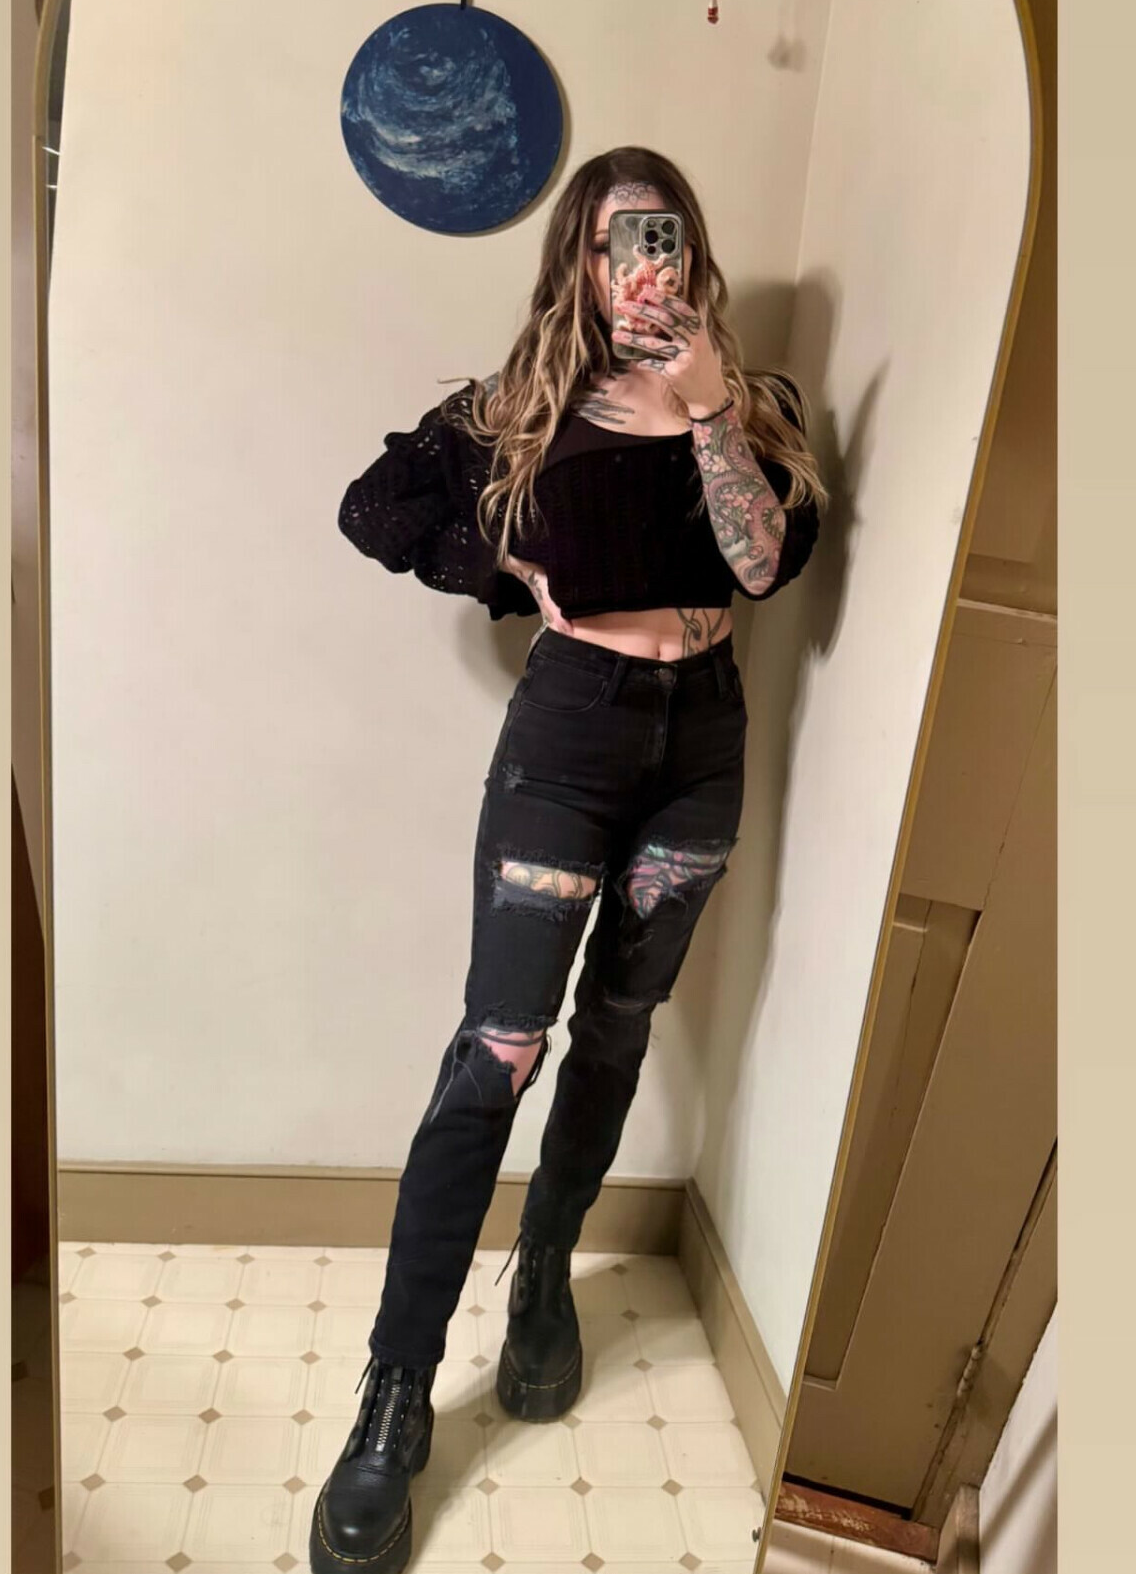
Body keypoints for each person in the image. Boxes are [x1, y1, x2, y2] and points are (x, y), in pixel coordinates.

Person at [310, 147, 827, 1574]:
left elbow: (763, 564)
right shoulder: (521, 408)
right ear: (574, 266)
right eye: (607, 244)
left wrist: (707, 402)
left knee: (617, 1027)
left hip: (701, 742)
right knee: (500, 1049)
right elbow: (374, 507)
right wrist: (504, 569)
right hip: (570, 735)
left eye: (655, 237)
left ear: (689, 250)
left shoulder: (755, 405)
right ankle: (396, 1391)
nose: (633, 266)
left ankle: (543, 1273)